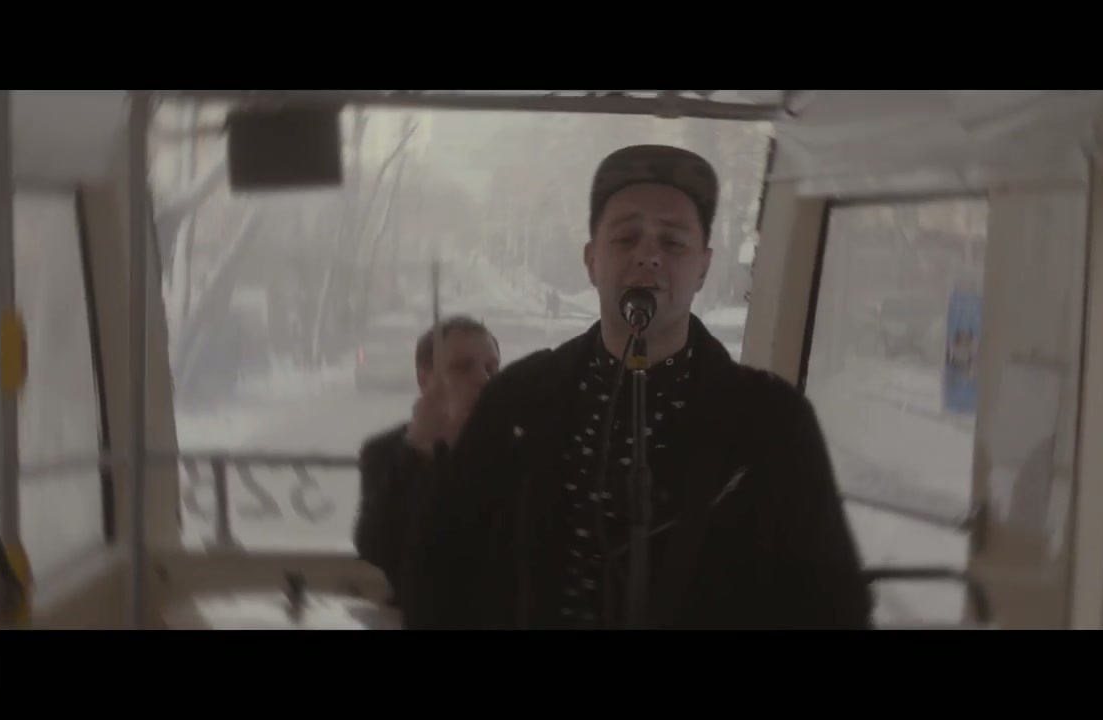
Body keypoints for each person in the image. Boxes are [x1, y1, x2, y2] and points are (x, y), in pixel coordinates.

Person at [408, 144, 872, 630]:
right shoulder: (515, 401)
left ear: (703, 268)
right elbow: (440, 575)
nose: (648, 256)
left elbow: (831, 606)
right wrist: (423, 461)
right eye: (626, 237)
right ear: (591, 260)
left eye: (672, 243)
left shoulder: (774, 423)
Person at [352, 315, 500, 608]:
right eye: (463, 367)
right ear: (425, 380)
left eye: (491, 368)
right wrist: (417, 450)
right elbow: (374, 547)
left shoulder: (515, 445)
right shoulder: (386, 451)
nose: (483, 379)